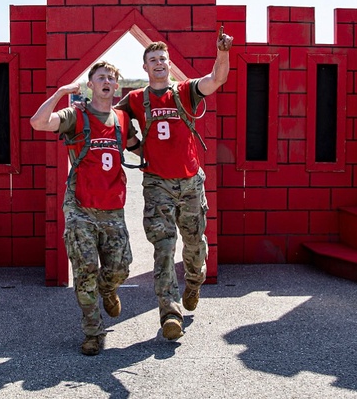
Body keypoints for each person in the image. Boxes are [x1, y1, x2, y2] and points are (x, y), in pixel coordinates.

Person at [114, 26, 233, 340]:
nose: (158, 63)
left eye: (162, 58)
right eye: (152, 59)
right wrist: (136, 146)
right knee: (163, 250)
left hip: (191, 184)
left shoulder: (185, 91)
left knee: (194, 246)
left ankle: (194, 282)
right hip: (157, 185)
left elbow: (216, 79)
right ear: (144, 66)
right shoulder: (136, 98)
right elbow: (112, 121)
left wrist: (223, 52)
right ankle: (170, 312)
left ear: (169, 63)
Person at [29, 60, 143, 356]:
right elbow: (38, 122)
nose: (106, 81)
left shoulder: (121, 118)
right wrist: (59, 94)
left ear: (116, 86)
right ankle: (93, 331)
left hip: (113, 207)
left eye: (111, 78)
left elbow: (139, 148)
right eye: (100, 77)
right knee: (85, 270)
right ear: (91, 85)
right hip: (80, 206)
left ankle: (108, 289)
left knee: (120, 268)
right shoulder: (75, 116)